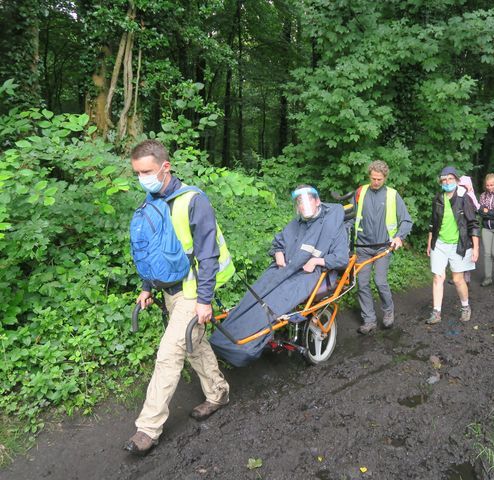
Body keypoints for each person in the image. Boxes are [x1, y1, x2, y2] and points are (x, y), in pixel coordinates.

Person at [125, 140, 232, 455]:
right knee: (194, 345)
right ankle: (219, 393)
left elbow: (208, 254)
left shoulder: (194, 201)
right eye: (137, 173)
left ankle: (147, 429)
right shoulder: (151, 200)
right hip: (169, 290)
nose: (142, 177)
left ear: (164, 167)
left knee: (168, 354)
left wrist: (205, 299)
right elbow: (151, 250)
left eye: (146, 171)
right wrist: (147, 286)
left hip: (192, 290)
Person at [211, 185, 350, 366]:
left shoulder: (333, 224)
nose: (303, 206)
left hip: (309, 273)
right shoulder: (297, 223)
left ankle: (242, 347)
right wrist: (278, 253)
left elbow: (341, 259)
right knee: (256, 295)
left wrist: (317, 261)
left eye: (306, 202)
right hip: (285, 268)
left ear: (317, 201)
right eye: (300, 203)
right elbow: (279, 242)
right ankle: (224, 337)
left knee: (274, 303)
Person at [353, 160, 413, 334]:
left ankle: (388, 312)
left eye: (379, 179)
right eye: (373, 178)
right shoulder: (360, 192)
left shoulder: (392, 195)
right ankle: (369, 320)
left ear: (385, 178)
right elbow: (349, 217)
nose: (376, 182)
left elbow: (407, 220)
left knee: (380, 281)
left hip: (383, 247)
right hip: (362, 246)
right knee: (362, 284)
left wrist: (399, 237)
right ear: (369, 176)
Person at [426, 166, 480, 324]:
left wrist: (475, 247)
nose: (447, 182)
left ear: (457, 180)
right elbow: (432, 223)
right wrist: (430, 242)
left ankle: (465, 306)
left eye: (450, 179)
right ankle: (436, 312)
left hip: (459, 244)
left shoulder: (464, 198)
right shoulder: (438, 198)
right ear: (441, 182)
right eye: (444, 180)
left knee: (457, 279)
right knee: (438, 277)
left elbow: (473, 224)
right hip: (440, 243)